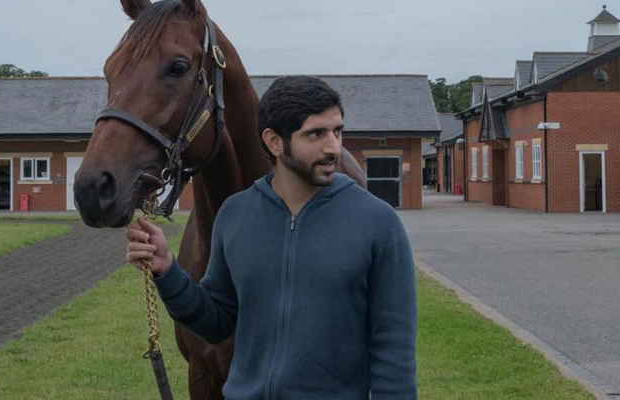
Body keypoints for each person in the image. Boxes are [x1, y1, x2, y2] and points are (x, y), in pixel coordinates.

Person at [126, 75, 417, 400]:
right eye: (316, 134)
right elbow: (217, 322)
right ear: (274, 142)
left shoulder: (377, 222)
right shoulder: (236, 215)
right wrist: (167, 271)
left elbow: (394, 349)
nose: (334, 147)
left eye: (337, 131)